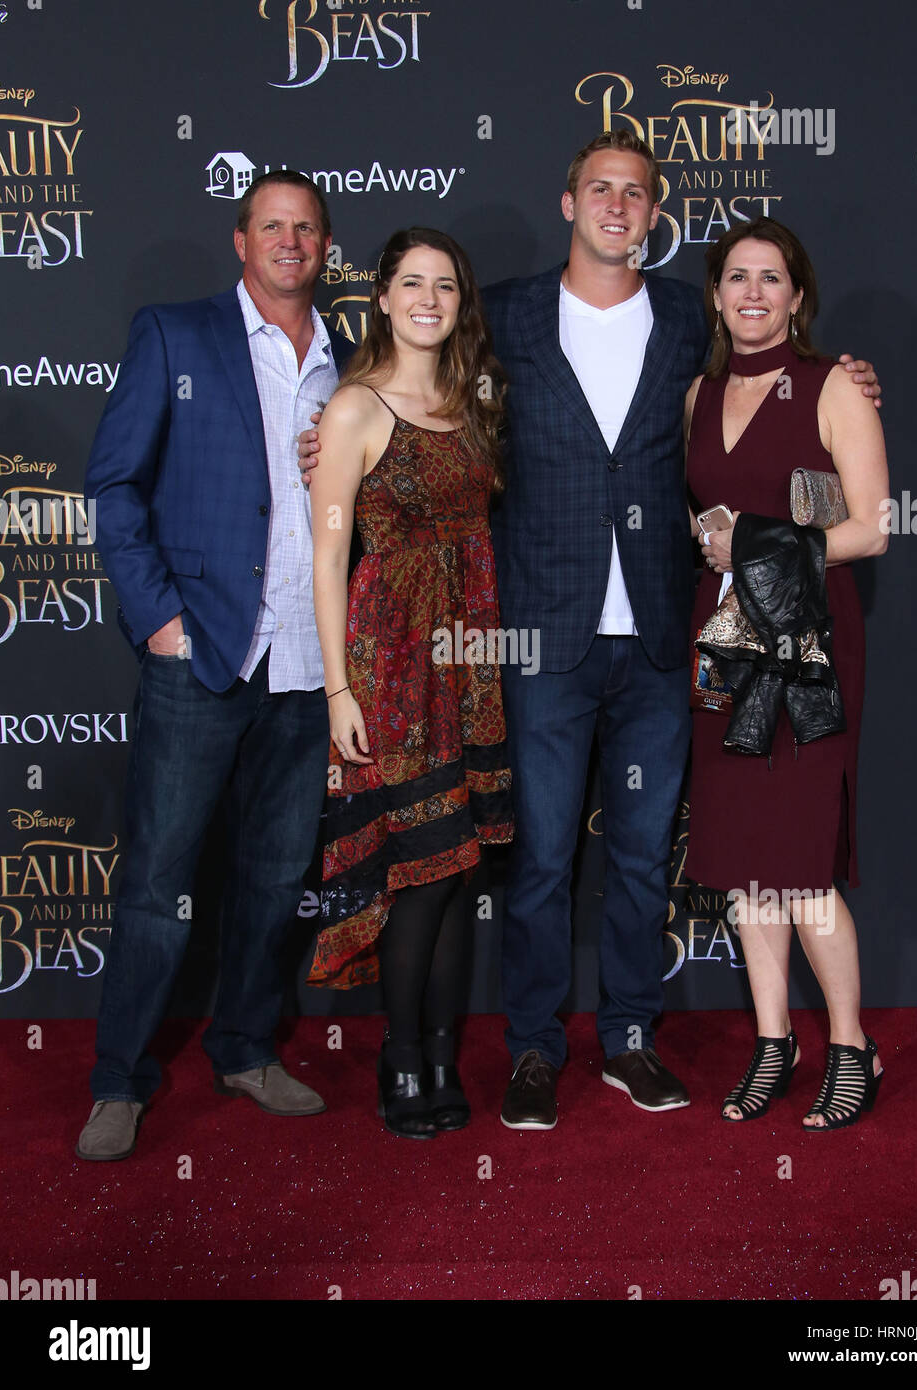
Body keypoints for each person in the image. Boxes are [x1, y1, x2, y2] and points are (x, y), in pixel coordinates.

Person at [298, 132, 881, 1131]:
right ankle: (532, 1049)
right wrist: (334, 429)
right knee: (538, 857)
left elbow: (773, 395)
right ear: (567, 203)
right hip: (537, 638)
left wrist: (841, 380)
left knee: (642, 854)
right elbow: (425, 399)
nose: (617, 205)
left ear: (654, 218)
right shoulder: (508, 316)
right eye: (598, 189)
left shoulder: (687, 331)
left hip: (664, 638)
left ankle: (627, 1038)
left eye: (636, 194)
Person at [77, 171, 355, 1161]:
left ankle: (243, 1046)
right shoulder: (174, 335)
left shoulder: (348, 362)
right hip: (200, 656)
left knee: (277, 875)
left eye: (307, 227)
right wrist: (158, 618)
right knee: (157, 882)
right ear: (240, 240)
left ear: (326, 246)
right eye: (272, 225)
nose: (290, 240)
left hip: (303, 661)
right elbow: (113, 484)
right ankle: (119, 1078)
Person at [307, 227, 513, 1139]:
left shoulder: (474, 399)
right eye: (413, 283)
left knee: (458, 866)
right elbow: (327, 559)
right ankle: (400, 1059)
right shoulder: (354, 408)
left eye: (447, 285)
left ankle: (440, 1054)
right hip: (391, 662)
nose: (430, 298)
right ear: (382, 297)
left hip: (469, 660)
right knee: (419, 876)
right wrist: (338, 692)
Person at [685, 216, 888, 1130]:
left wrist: (752, 542)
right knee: (742, 871)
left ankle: (851, 1045)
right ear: (718, 295)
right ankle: (775, 1042)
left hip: (807, 648)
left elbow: (873, 526)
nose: (754, 293)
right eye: (738, 277)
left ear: (797, 296)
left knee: (802, 871)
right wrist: (712, 543)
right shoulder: (698, 393)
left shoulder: (832, 387)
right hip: (725, 642)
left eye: (772, 278)